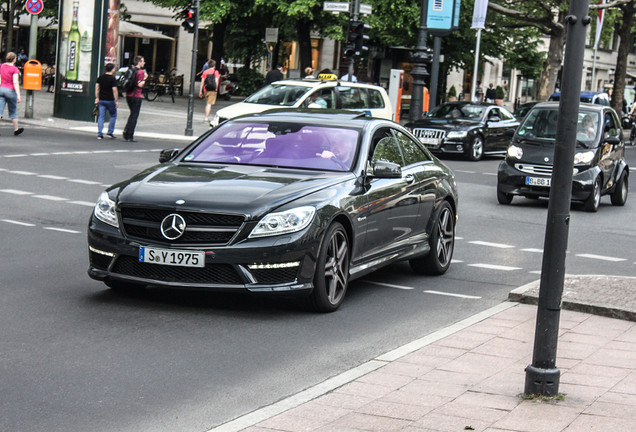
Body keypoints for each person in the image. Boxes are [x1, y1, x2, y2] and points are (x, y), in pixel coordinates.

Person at [122, 56, 147, 142]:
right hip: (136, 95)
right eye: (143, 61)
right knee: (134, 115)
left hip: (129, 95)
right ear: (139, 62)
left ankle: (126, 130)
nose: (144, 63)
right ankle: (129, 135)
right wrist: (145, 78)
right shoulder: (140, 72)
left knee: (132, 114)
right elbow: (140, 84)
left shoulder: (131, 70)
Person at [0, 52, 24, 136]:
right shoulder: (14, 69)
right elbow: (15, 82)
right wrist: (18, 95)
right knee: (13, 111)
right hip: (10, 90)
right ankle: (16, 129)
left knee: (0, 111)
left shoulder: (1, 66)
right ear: (14, 59)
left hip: (1, 89)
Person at [95, 63, 119, 140]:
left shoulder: (100, 77)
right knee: (113, 115)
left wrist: (97, 97)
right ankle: (110, 132)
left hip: (101, 99)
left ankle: (100, 133)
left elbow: (97, 88)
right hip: (110, 100)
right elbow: (114, 90)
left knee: (101, 116)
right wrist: (117, 100)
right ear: (112, 70)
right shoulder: (112, 79)